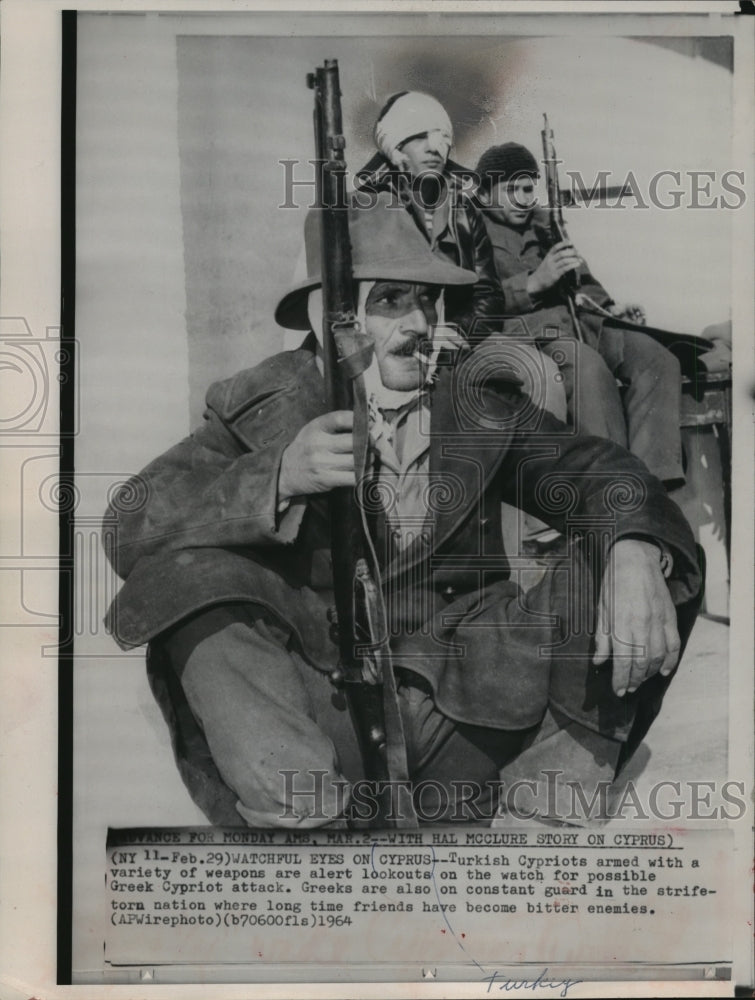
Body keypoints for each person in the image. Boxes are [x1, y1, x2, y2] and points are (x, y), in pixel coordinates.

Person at [103, 194, 702, 828]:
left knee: (640, 539)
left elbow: (598, 471)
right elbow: (129, 524)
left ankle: (548, 805)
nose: (418, 321)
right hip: (330, 733)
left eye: (426, 299)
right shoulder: (255, 404)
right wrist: (278, 475)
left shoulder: (473, 399)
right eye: (391, 300)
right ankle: (305, 828)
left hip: (473, 718)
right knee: (186, 577)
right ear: (332, 316)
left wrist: (632, 547)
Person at [475, 142, 685, 489]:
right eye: (511, 190)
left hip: (583, 322)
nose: (524, 198)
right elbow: (474, 303)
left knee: (655, 359)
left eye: (529, 188)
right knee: (589, 370)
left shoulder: (546, 222)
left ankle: (654, 485)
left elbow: (582, 279)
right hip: (531, 334)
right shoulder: (472, 232)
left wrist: (610, 307)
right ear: (484, 195)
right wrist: (532, 284)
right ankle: (611, 488)